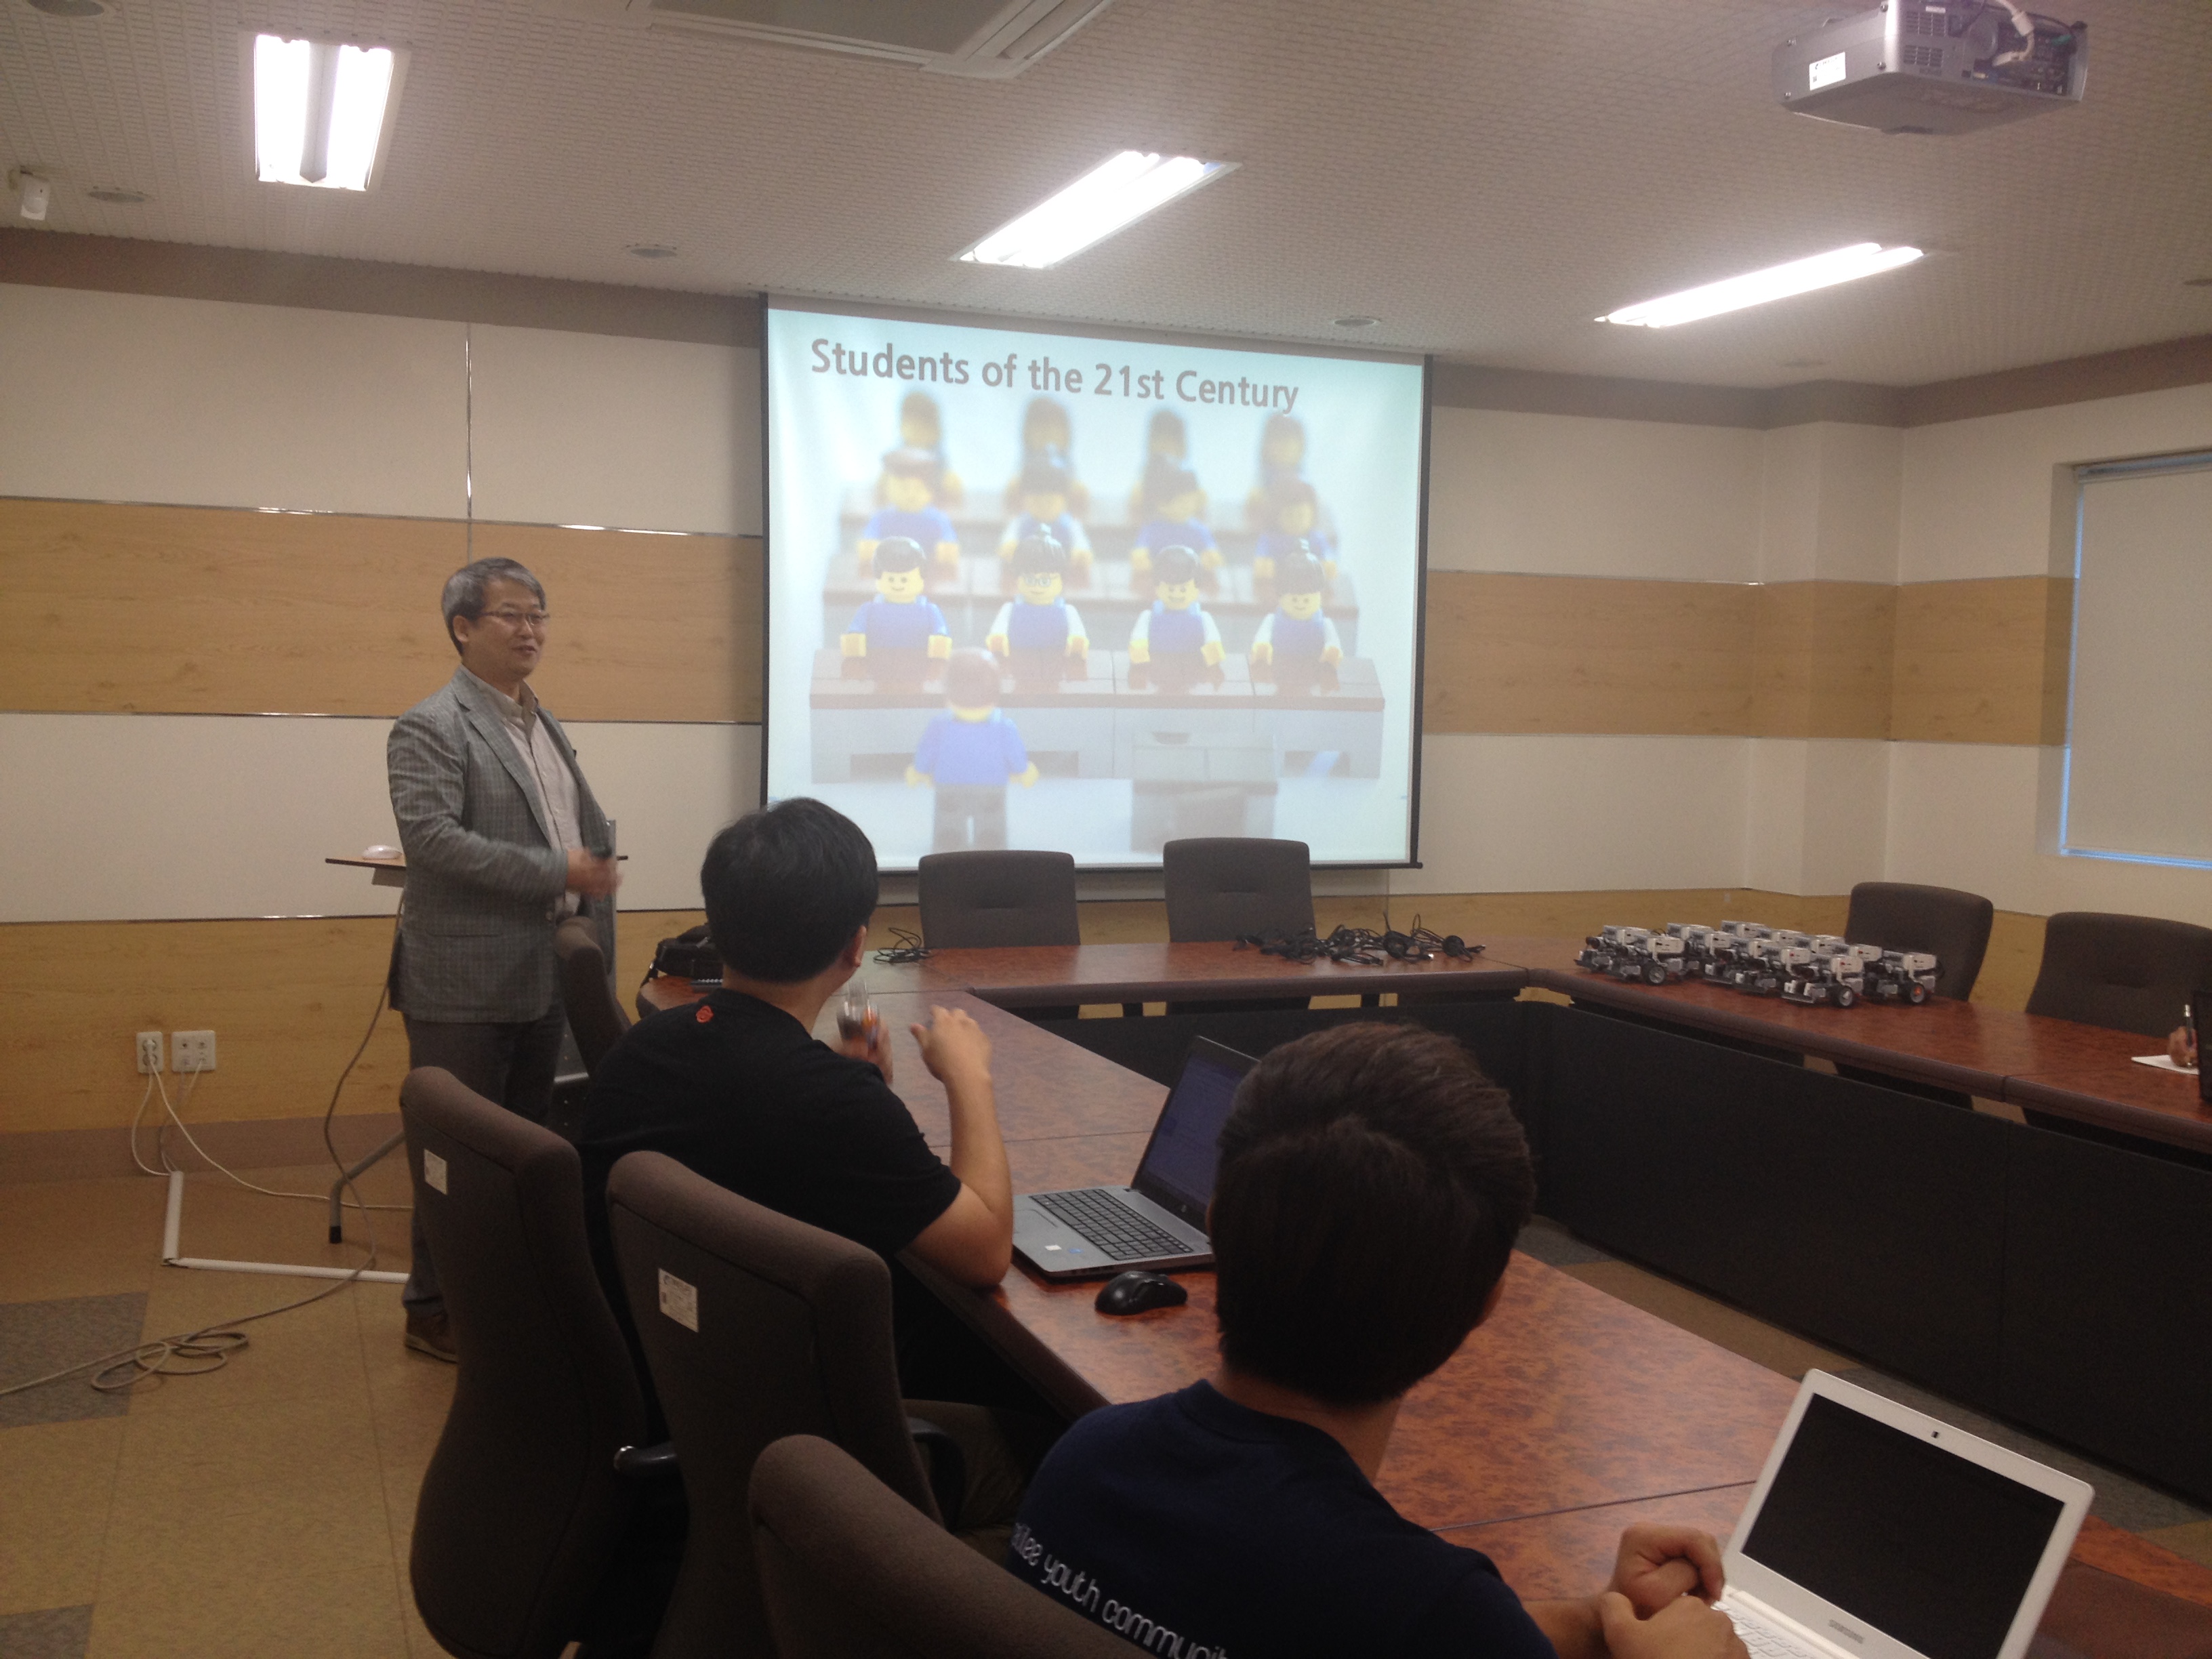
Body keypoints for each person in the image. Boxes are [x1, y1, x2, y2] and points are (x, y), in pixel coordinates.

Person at [1006, 1023, 1748, 1659]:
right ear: (1487, 1302)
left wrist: (1603, 1621)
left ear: (1215, 1219)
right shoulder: (1425, 1607)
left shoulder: (1087, 1457)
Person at [386, 556, 621, 1362]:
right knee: (454, 1155)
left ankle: (505, 1301)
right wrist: (559, 870)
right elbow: (433, 842)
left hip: (542, 972)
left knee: (525, 1151)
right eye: (512, 615)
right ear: (462, 627)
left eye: (539, 616)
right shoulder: (431, 725)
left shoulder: (539, 721)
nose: (531, 631)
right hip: (462, 984)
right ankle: (432, 1309)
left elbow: (570, 829)